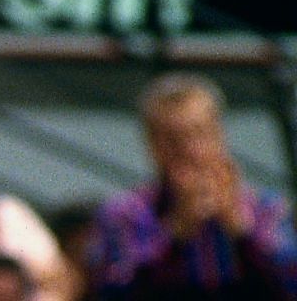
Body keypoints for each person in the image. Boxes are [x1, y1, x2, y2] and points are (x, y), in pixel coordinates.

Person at [86, 73, 297, 296]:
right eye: (173, 139)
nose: (190, 150)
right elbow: (114, 290)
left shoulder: (265, 208)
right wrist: (175, 233)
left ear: (219, 135)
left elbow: (289, 283)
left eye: (200, 133)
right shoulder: (125, 213)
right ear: (152, 144)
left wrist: (241, 229)